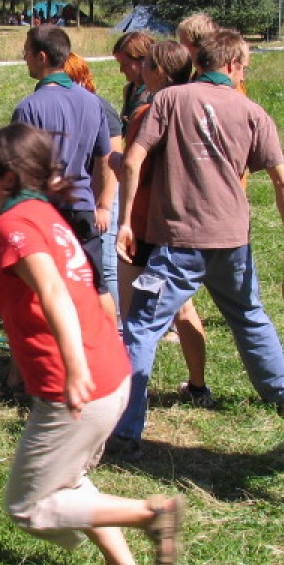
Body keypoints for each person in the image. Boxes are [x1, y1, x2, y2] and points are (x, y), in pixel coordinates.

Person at [0, 123, 184, 565]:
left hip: (78, 382)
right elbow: (51, 284)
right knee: (71, 478)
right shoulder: (44, 214)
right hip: (110, 372)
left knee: (29, 507)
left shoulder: (14, 224)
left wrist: (74, 366)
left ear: (8, 178)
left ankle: (150, 515)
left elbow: (55, 291)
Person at [110, 28, 284, 461]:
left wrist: (125, 223)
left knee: (141, 327)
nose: (244, 74)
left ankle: (126, 431)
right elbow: (283, 181)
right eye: (245, 67)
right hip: (232, 239)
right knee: (247, 313)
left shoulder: (168, 101)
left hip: (177, 241)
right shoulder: (253, 111)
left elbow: (135, 158)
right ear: (232, 65)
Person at [115, 39, 213, 408]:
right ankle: (198, 385)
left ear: (157, 71)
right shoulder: (198, 112)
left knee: (133, 316)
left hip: (144, 225)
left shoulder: (147, 114)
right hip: (180, 224)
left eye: (146, 66)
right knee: (183, 307)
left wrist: (114, 164)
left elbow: (133, 166)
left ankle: (129, 403)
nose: (138, 71)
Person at [11, 25, 117, 321]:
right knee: (97, 286)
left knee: (43, 286)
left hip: (45, 211)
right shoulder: (92, 102)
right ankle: (112, 348)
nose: (25, 59)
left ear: (41, 56)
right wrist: (101, 204)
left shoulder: (29, 108)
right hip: (82, 206)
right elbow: (103, 157)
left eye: (27, 53)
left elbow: (21, 167)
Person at [66, 51, 124, 308]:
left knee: (107, 265)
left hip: (106, 195)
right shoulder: (72, 107)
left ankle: (119, 326)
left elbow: (112, 160)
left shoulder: (100, 107)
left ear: (80, 79)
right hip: (83, 195)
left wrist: (104, 206)